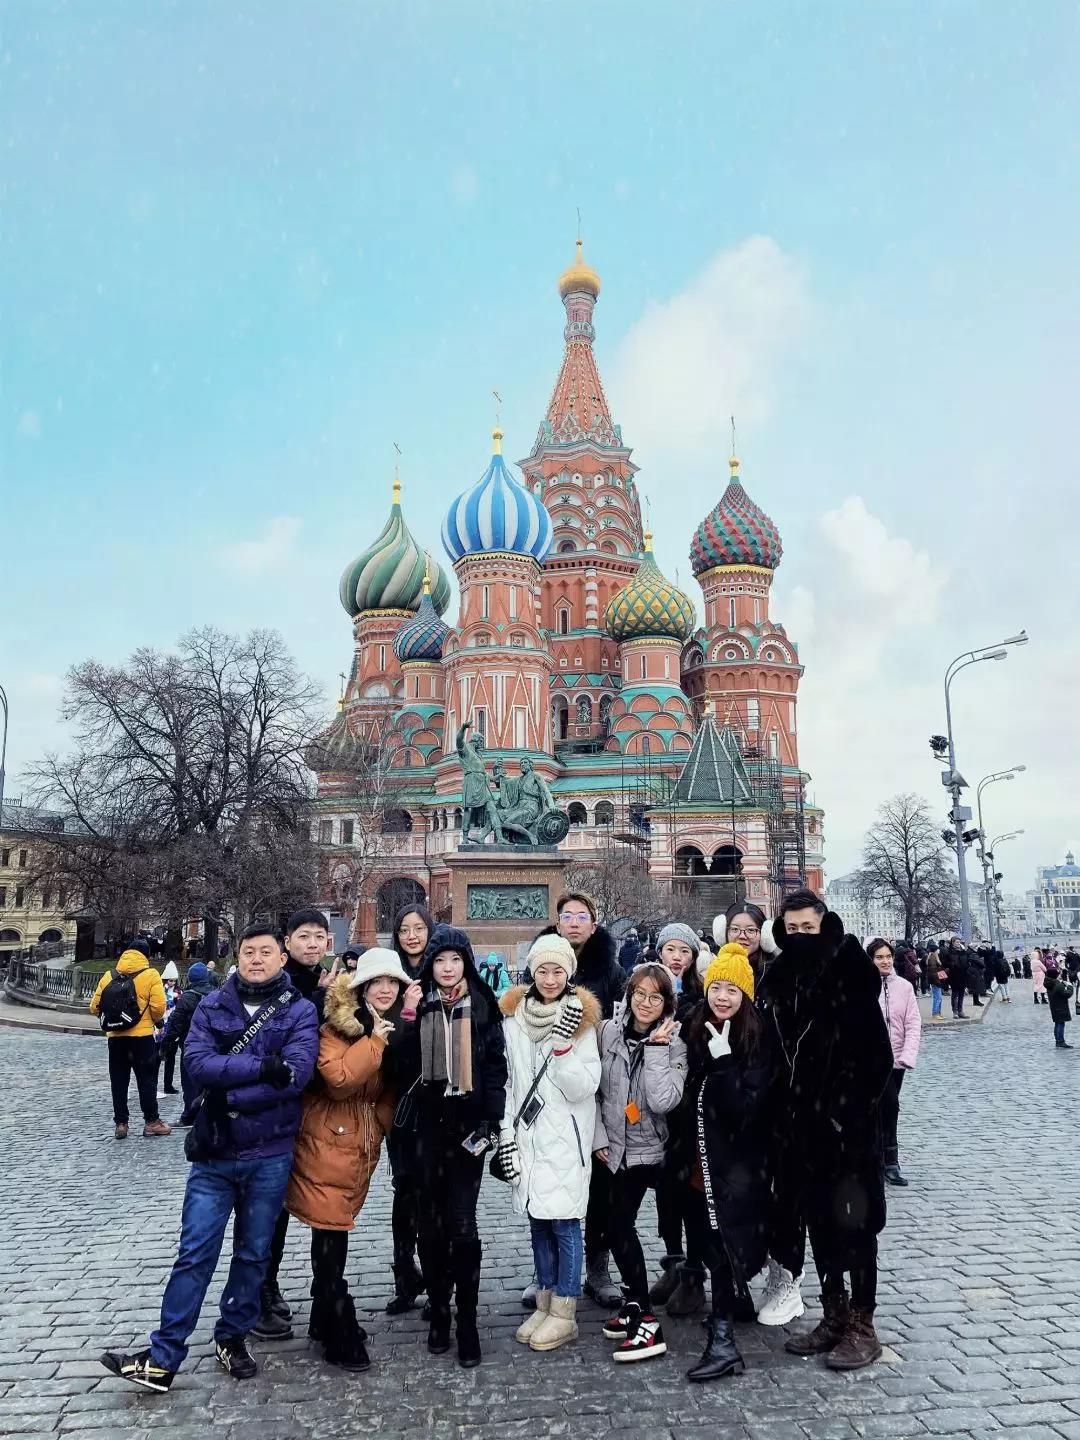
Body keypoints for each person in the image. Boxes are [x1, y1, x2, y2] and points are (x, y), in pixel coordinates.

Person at [100, 924, 319, 1391]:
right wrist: (262, 1067)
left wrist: (230, 1090)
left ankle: (232, 1335)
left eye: (266, 952)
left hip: (269, 1151)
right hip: (215, 1151)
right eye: (248, 951)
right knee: (195, 1252)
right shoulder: (212, 1005)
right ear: (237, 957)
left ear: (282, 958)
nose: (256, 959)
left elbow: (295, 1077)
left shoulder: (299, 1010)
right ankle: (164, 1356)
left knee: (254, 1253)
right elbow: (197, 1064)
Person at [759, 890, 893, 1371]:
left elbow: (877, 1057)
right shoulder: (780, 977)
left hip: (844, 1132)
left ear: (824, 924)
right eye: (792, 929)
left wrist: (844, 1116)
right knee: (818, 1223)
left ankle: (863, 1325)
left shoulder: (848, 973)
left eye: (808, 928)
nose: (800, 936)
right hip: (799, 1130)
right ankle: (834, 1314)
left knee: (855, 1225)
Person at [285, 949, 419, 1370]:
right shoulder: (336, 1026)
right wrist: (375, 1041)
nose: (385, 989)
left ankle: (322, 1315)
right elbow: (340, 1080)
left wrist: (383, 1125)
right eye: (376, 982)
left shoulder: (393, 1026)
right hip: (326, 1141)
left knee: (332, 1232)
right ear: (360, 988)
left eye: (392, 982)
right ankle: (336, 1323)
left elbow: (387, 1089)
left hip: (357, 1144)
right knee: (330, 1233)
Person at [407, 924, 507, 1367]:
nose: (448, 968)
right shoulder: (417, 1004)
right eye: (440, 960)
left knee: (463, 1226)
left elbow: (495, 1068)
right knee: (429, 1228)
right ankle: (439, 1311)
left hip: (468, 1130)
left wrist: (491, 1120)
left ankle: (467, 1319)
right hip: (427, 1130)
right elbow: (398, 1064)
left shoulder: (484, 1005)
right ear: (430, 965)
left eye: (456, 960)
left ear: (467, 963)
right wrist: (408, 1019)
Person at [678, 945, 774, 1381]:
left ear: (745, 995)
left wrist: (725, 1063)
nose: (722, 996)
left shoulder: (755, 1039)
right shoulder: (696, 1028)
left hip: (734, 1162)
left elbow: (746, 1109)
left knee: (722, 1242)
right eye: (716, 986)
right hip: (698, 1159)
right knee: (706, 1238)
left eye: (732, 989)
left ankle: (723, 1341)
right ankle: (733, 1302)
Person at [502, 933, 602, 1353]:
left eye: (557, 971)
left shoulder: (580, 1020)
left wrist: (563, 1051)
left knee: (564, 1223)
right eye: (542, 970)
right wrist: (506, 1134)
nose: (549, 978)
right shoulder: (514, 1019)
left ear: (569, 974)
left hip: (566, 1136)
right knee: (538, 1222)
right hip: (528, 1136)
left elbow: (585, 1086)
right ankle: (544, 1301)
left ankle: (565, 1309)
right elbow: (510, 1083)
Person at [527, 892, 625, 1310]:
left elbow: (621, 1026)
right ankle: (544, 1272)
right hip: (551, 1092)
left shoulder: (612, 971)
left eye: (581, 916)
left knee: (601, 1183)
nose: (573, 922)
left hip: (597, 1088)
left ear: (593, 924)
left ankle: (598, 1267)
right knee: (547, 1180)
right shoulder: (541, 965)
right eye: (566, 915)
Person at [593, 962, 687, 1362]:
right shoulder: (607, 1032)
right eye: (640, 994)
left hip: (647, 1149)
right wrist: (598, 1137)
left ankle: (647, 1319)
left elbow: (663, 1101)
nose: (646, 1003)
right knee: (611, 1227)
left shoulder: (675, 1045)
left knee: (619, 1226)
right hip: (611, 1147)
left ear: (667, 1003)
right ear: (629, 995)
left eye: (656, 997)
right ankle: (634, 1302)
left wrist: (657, 1050)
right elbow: (595, 1091)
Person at [256, 906, 334, 1339]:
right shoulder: (274, 985)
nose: (312, 944)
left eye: (318, 936)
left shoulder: (331, 984)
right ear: (287, 943)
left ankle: (322, 1289)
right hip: (277, 1108)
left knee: (314, 1202)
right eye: (303, 936)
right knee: (270, 1206)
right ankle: (262, 1288)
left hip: (315, 1109)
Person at [645, 923, 703, 1311]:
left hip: (690, 1112)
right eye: (671, 950)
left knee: (692, 1194)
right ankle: (673, 1262)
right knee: (666, 1194)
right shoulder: (646, 994)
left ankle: (694, 1274)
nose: (677, 957)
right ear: (660, 952)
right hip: (656, 1112)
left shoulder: (702, 997)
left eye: (684, 951)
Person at [383, 901, 437, 1316]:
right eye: (404, 930)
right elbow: (386, 1046)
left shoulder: (444, 973)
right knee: (405, 1192)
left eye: (418, 928)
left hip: (439, 1102)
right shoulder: (388, 980)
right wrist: (407, 1014)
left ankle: (437, 1281)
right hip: (402, 1101)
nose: (412, 936)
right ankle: (405, 1274)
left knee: (433, 1195)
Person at [89, 947, 171, 1140]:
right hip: (142, 1038)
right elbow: (159, 1006)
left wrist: (115, 1020)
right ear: (145, 955)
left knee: (118, 1081)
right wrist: (152, 1020)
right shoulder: (151, 975)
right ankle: (151, 1122)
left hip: (115, 1037)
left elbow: (94, 1007)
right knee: (146, 1080)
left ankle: (121, 1124)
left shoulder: (109, 976)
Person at [867, 940, 922, 1186]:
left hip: (897, 1060)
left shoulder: (904, 987)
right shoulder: (862, 987)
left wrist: (908, 1055)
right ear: (870, 960)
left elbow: (913, 1023)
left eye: (888, 956)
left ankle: (885, 1159)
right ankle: (886, 1161)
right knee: (885, 1107)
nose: (885, 961)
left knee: (888, 1107)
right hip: (872, 1061)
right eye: (879, 957)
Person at [163, 962, 216, 1123]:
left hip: (190, 1045)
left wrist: (166, 1044)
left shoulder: (187, 997)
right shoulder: (216, 994)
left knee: (189, 1083)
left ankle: (189, 1116)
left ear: (190, 979)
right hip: (212, 1045)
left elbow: (175, 1023)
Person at [713, 900, 779, 982]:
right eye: (735, 929)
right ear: (724, 932)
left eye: (750, 930)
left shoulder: (776, 973)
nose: (742, 936)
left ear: (764, 934)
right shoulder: (714, 969)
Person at [1045, 962, 1074, 1048]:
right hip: (1061, 1007)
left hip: (1054, 1006)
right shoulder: (1057, 985)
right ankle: (1060, 1041)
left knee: (1057, 1023)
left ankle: (1057, 1040)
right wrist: (1070, 987)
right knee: (1061, 1024)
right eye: (1058, 974)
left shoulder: (1049, 983)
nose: (1059, 975)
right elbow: (1067, 994)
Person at [945, 937, 970, 1019]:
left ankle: (960, 1011)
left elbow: (967, 961)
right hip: (954, 976)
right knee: (955, 994)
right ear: (952, 943)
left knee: (961, 994)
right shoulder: (949, 951)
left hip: (963, 975)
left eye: (959, 942)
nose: (958, 943)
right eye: (956, 942)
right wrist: (952, 965)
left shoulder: (963, 952)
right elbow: (945, 963)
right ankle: (955, 1012)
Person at [928, 941, 948, 1020]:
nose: (939, 950)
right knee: (937, 998)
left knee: (939, 997)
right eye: (938, 949)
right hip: (935, 980)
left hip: (936, 980)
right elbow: (933, 971)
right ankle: (935, 1013)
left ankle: (938, 1013)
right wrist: (937, 980)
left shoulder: (932, 957)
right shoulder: (933, 958)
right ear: (935, 950)